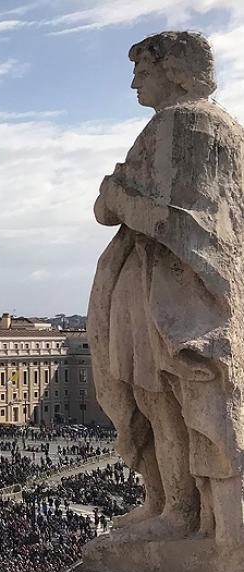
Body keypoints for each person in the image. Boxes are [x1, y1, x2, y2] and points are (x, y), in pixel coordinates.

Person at [91, 31, 244, 544]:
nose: (134, 80)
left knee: (164, 399)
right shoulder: (224, 128)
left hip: (167, 286)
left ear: (172, 70)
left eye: (143, 69)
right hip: (170, 283)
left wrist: (115, 191)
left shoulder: (181, 124)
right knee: (160, 397)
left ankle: (178, 508)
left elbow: (164, 219)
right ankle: (172, 505)